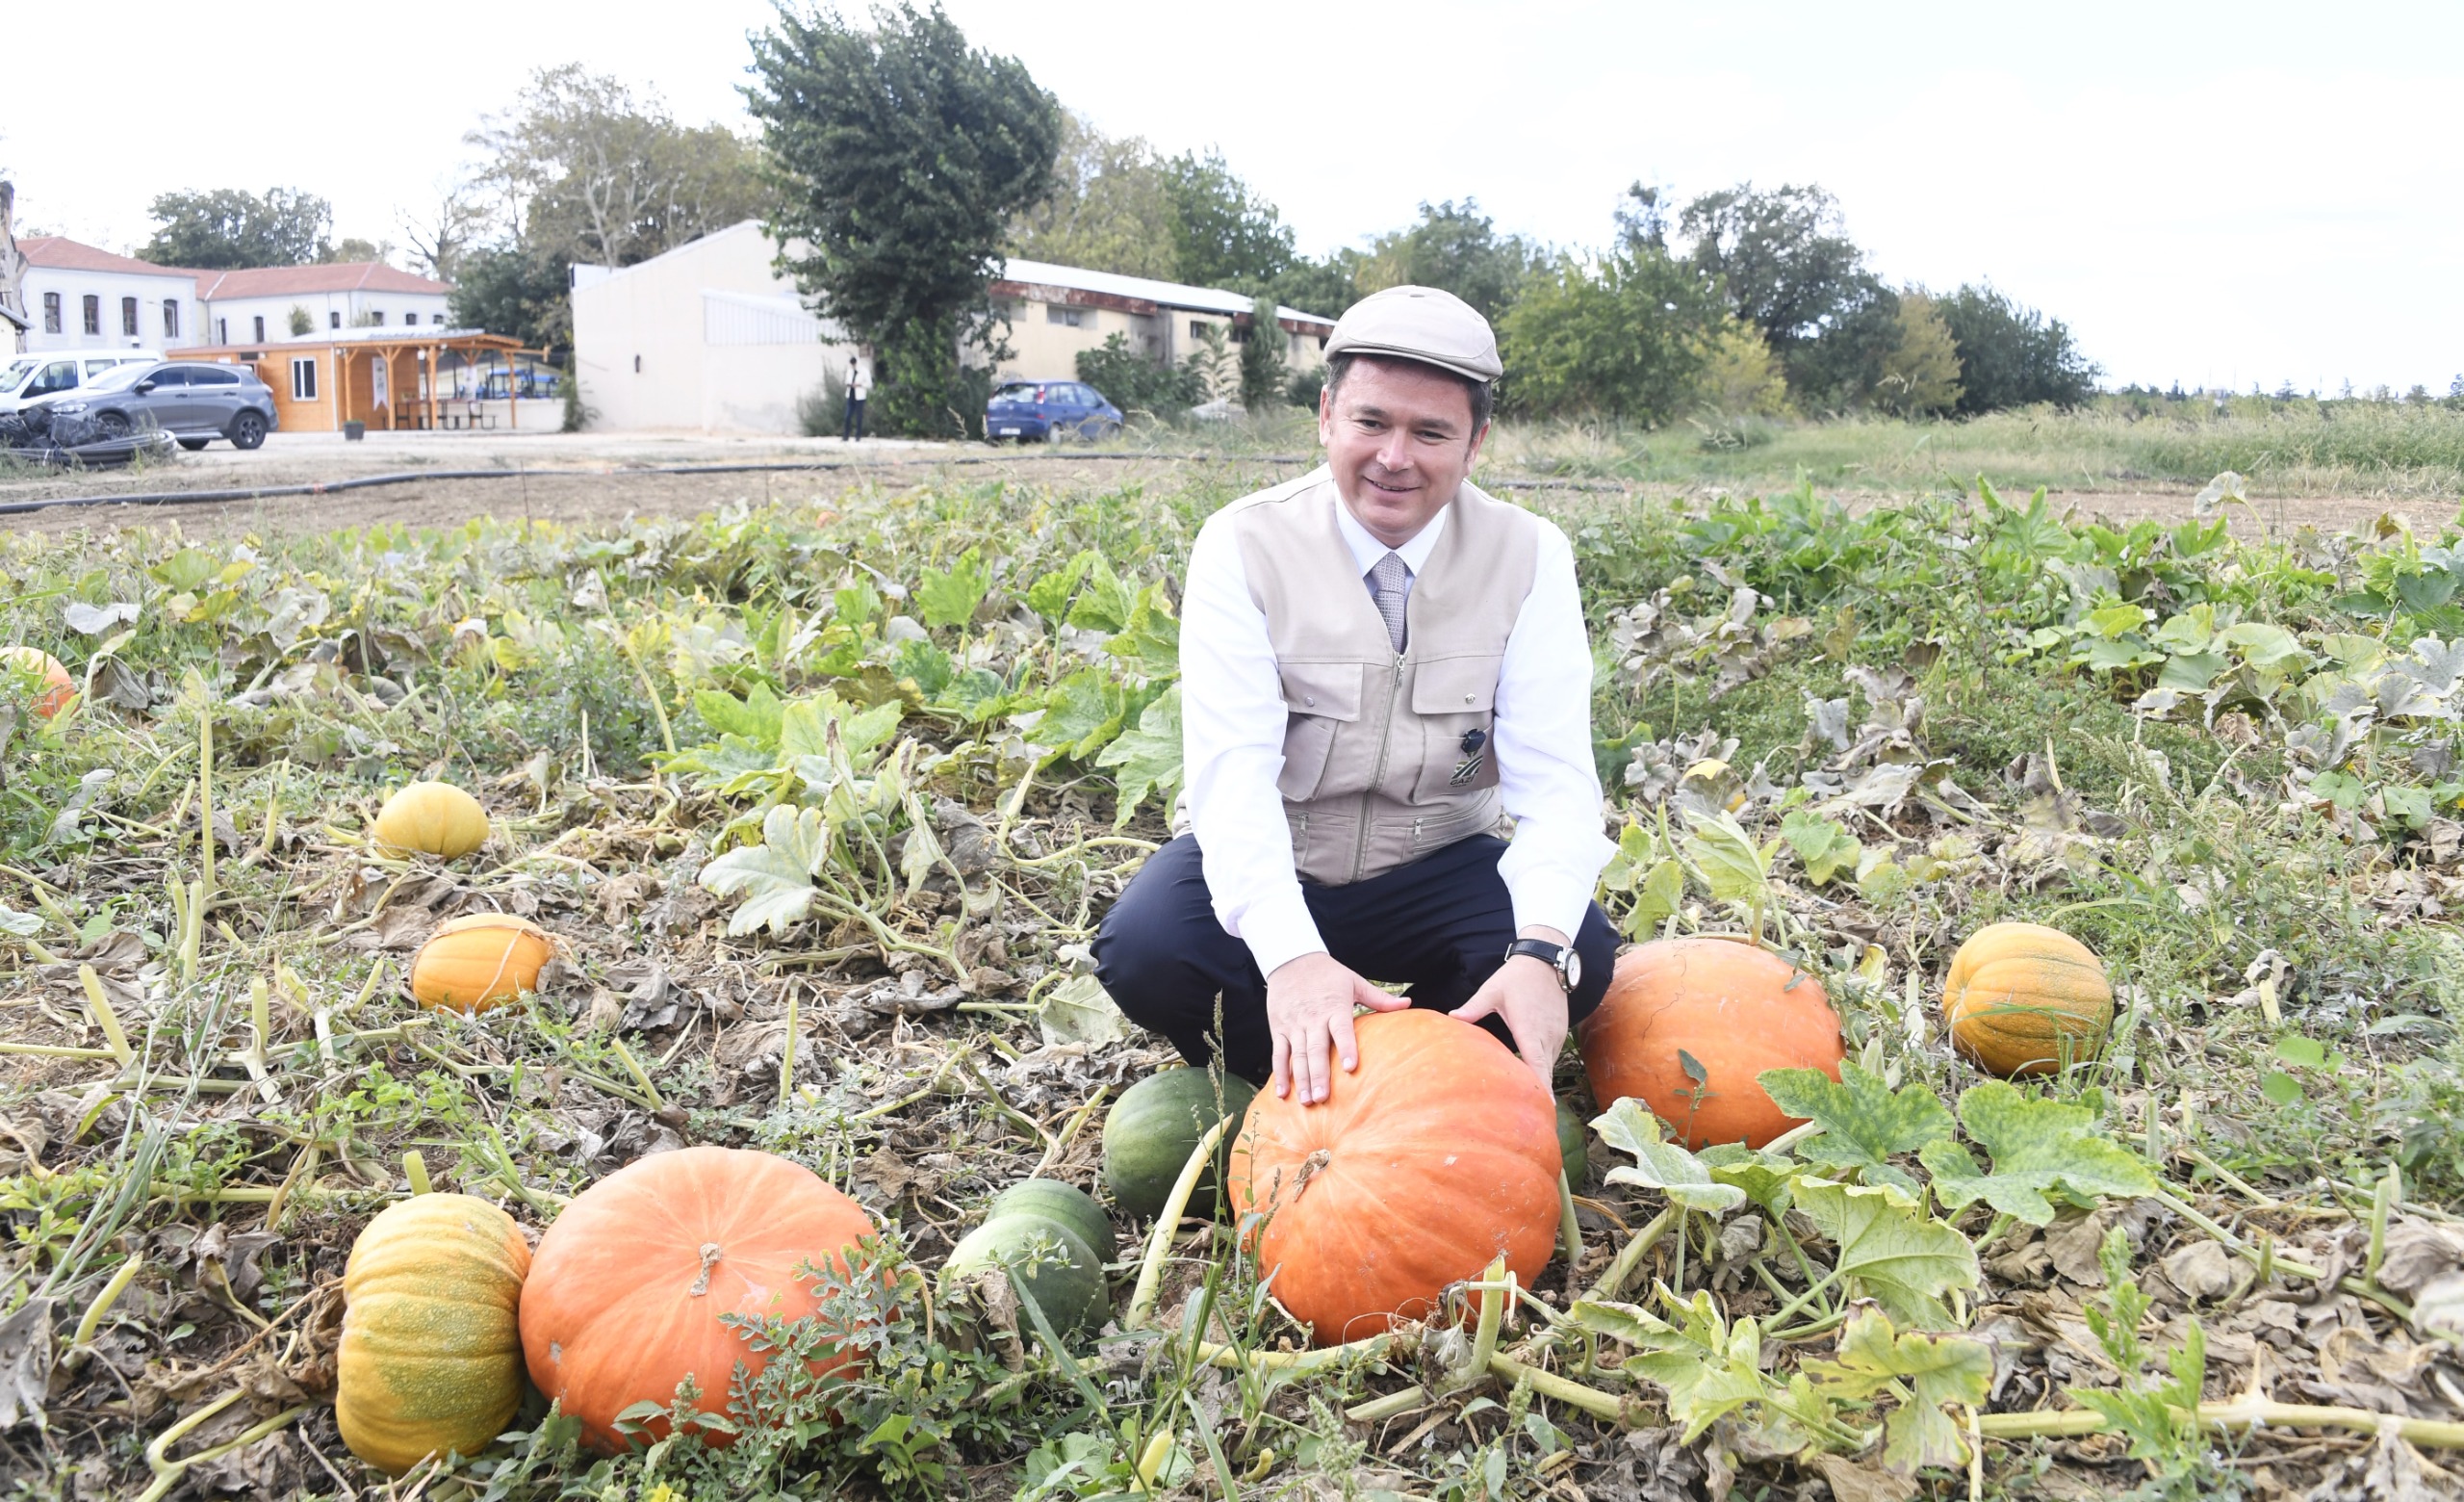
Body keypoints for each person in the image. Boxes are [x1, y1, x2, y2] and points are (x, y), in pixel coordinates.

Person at [1091, 285, 1617, 1107]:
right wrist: (1292, 957)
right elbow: (1232, 782)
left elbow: (1558, 784)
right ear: (1327, 415)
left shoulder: (1529, 555)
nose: (1394, 457)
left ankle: (1427, 1070)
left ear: (1476, 443)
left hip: (1437, 860)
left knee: (1577, 949)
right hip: (1290, 856)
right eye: (1372, 423)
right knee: (1150, 948)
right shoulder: (1243, 543)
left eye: (1431, 432)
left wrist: (1541, 954)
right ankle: (1333, 1070)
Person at [842, 353, 869, 441]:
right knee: (847, 416)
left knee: (859, 417)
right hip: (851, 395)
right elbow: (846, 380)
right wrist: (849, 384)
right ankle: (846, 436)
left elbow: (869, 384)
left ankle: (858, 436)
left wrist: (859, 385)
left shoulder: (864, 371)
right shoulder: (849, 371)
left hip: (860, 396)